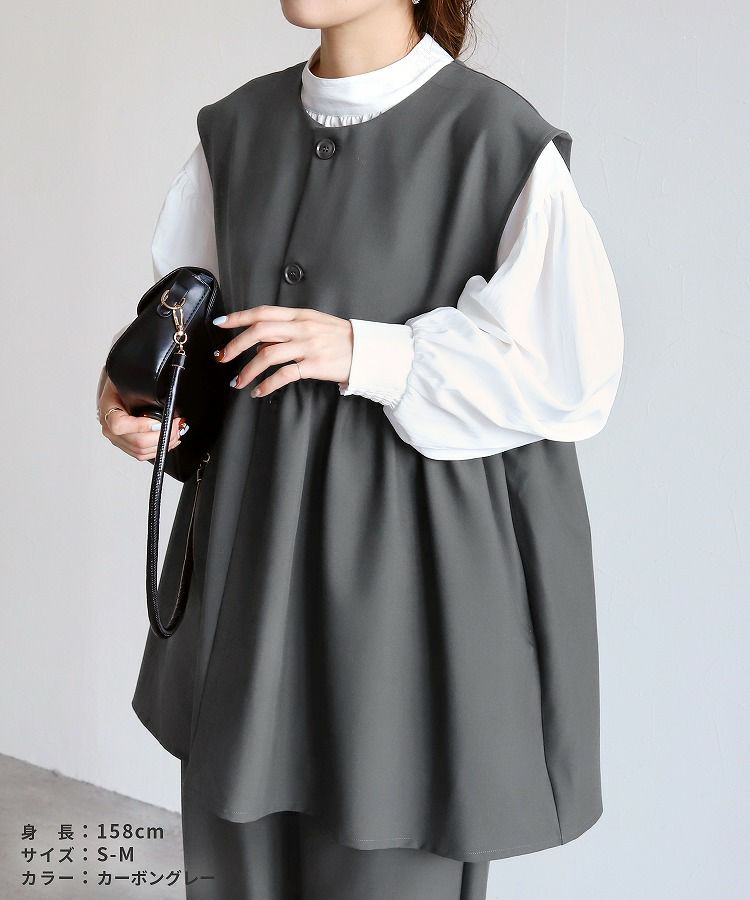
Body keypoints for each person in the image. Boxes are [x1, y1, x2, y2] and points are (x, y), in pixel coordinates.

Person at [97, 1, 624, 897]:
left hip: (412, 611)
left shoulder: (497, 142)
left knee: (389, 855)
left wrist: (370, 352)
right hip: (246, 583)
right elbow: (187, 320)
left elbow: (570, 374)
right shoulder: (235, 130)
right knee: (234, 868)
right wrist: (130, 400)